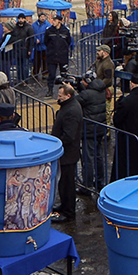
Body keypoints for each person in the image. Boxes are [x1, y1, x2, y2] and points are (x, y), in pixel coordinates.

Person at [51, 82, 82, 222]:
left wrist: (57, 144)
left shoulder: (71, 111)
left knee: (67, 184)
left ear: (68, 96)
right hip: (66, 153)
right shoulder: (68, 107)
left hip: (68, 153)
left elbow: (69, 135)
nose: (58, 98)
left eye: (60, 96)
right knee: (64, 183)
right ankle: (64, 206)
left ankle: (68, 212)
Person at [43, 13, 72, 94]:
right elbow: (46, 41)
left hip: (62, 55)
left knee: (64, 75)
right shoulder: (49, 30)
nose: (53, 22)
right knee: (51, 74)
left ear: (59, 21)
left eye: (55, 20)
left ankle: (65, 91)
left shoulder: (65, 31)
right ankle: (50, 90)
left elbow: (68, 41)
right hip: (52, 56)